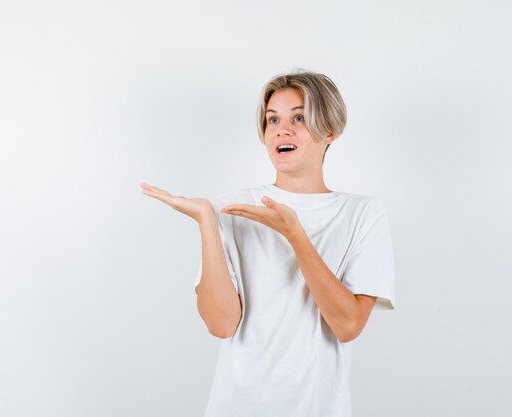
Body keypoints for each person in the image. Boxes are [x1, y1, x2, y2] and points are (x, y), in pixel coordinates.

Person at [140, 69, 396, 417]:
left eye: (300, 118)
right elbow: (221, 324)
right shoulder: (231, 207)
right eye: (272, 118)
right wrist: (206, 220)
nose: (281, 129)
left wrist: (295, 234)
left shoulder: (361, 213)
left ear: (330, 131)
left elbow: (348, 325)